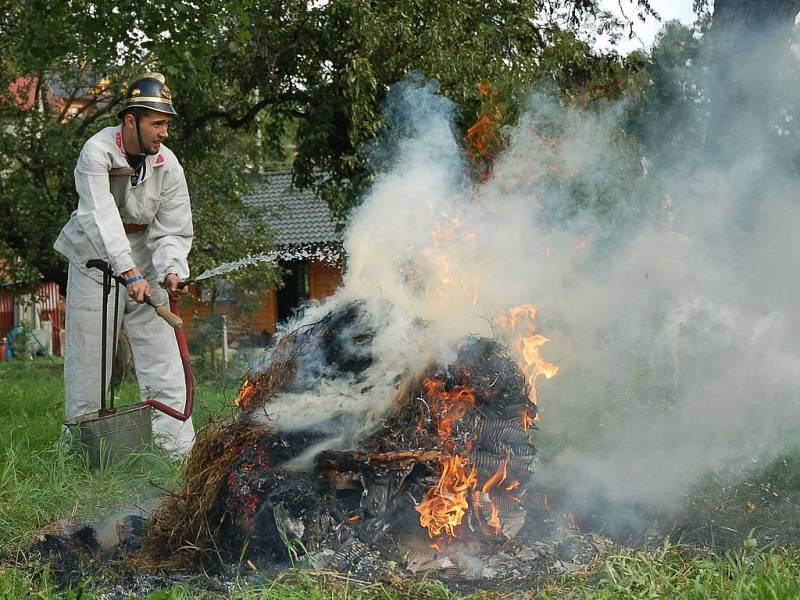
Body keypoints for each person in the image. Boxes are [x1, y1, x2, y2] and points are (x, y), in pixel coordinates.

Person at [54, 72, 194, 455]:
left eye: (166, 123)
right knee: (90, 361)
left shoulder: (168, 164)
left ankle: (176, 450)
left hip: (145, 258)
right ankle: (81, 453)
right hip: (95, 259)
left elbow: (172, 229)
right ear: (130, 120)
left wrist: (169, 269)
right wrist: (126, 270)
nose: (164, 132)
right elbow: (99, 217)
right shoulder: (96, 152)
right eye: (157, 123)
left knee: (163, 357)